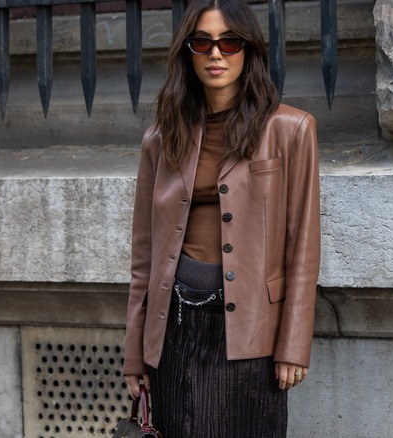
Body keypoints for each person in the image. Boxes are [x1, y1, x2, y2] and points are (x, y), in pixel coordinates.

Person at [122, 0, 320, 435]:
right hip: (175, 328)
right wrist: (136, 352)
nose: (216, 54)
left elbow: (303, 248)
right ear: (187, 53)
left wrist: (293, 345)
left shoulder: (290, 129)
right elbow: (144, 257)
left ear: (248, 51)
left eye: (229, 43)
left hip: (252, 333)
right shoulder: (160, 138)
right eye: (203, 43)